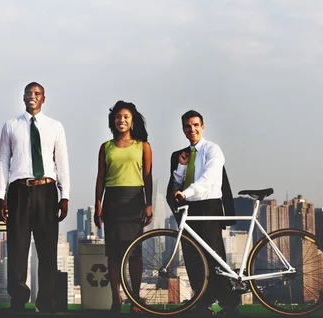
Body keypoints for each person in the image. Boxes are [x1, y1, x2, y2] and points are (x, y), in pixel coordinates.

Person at [0, 82, 70, 313]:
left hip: (46, 191)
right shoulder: (10, 126)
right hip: (19, 190)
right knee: (18, 247)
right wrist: (0, 196)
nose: (32, 97)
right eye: (29, 93)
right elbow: (2, 161)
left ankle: (46, 301)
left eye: (37, 94)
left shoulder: (55, 127)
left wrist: (64, 195)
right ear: (23, 97)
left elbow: (62, 163)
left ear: (44, 98)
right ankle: (18, 299)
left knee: (47, 249)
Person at [167, 110, 239, 316]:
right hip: (188, 208)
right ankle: (201, 301)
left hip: (209, 206)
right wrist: (181, 167)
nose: (192, 129)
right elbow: (175, 185)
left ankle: (228, 303)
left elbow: (209, 177)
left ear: (203, 126)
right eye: (188, 126)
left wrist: (187, 192)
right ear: (183, 130)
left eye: (196, 125)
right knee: (191, 256)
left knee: (214, 256)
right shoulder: (181, 155)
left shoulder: (212, 150)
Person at [94, 101, 153, 313]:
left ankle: (135, 298)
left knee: (135, 253)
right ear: (113, 121)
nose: (122, 120)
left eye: (126, 117)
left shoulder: (142, 146)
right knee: (114, 253)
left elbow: (147, 177)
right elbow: (101, 177)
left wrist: (148, 204)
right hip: (112, 201)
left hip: (135, 200)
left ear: (132, 120)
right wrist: (97, 204)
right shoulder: (106, 147)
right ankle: (116, 298)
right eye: (118, 117)